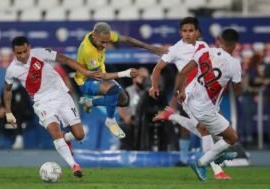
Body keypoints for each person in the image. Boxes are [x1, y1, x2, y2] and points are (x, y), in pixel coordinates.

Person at [3, 36, 102, 178]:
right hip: (42, 102)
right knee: (55, 132)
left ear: (29, 47)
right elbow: (7, 90)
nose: (23, 55)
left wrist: (85, 72)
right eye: (19, 53)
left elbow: (66, 60)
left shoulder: (41, 53)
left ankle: (65, 138)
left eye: (25, 51)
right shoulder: (12, 70)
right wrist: (8, 112)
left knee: (79, 135)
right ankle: (74, 165)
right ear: (14, 52)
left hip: (61, 95)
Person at [149, 17, 231, 179]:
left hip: (206, 93)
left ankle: (172, 116)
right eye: (184, 31)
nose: (187, 34)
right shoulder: (175, 49)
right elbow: (158, 68)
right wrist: (154, 86)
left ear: (197, 32)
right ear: (180, 32)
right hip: (187, 93)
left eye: (191, 30)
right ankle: (218, 171)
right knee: (205, 128)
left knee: (210, 129)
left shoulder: (203, 46)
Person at [76, 22, 165, 139]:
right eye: (102, 42)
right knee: (112, 90)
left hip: (99, 75)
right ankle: (110, 120)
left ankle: (89, 102)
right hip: (86, 81)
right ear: (94, 36)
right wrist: (126, 73)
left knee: (123, 100)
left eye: (107, 42)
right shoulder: (88, 51)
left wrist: (150, 47)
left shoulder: (102, 35)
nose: (104, 45)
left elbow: (127, 39)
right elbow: (101, 76)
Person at [174, 28, 241, 181]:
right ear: (235, 45)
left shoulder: (204, 51)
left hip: (191, 97)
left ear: (219, 40)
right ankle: (203, 163)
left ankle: (219, 156)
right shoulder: (234, 65)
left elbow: (182, 72)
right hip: (203, 106)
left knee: (219, 129)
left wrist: (180, 91)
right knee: (231, 137)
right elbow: (238, 91)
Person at [0, 81, 34, 150]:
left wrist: (8, 110)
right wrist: (1, 109)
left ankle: (19, 140)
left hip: (24, 114)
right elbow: (2, 104)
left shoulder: (22, 90)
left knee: (18, 114)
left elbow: (23, 106)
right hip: (9, 114)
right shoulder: (5, 90)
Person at [118, 67, 150, 150]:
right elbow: (121, 108)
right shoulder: (127, 91)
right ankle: (126, 151)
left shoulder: (150, 92)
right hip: (131, 122)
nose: (143, 80)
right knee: (124, 126)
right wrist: (126, 117)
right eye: (141, 77)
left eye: (145, 78)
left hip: (147, 122)